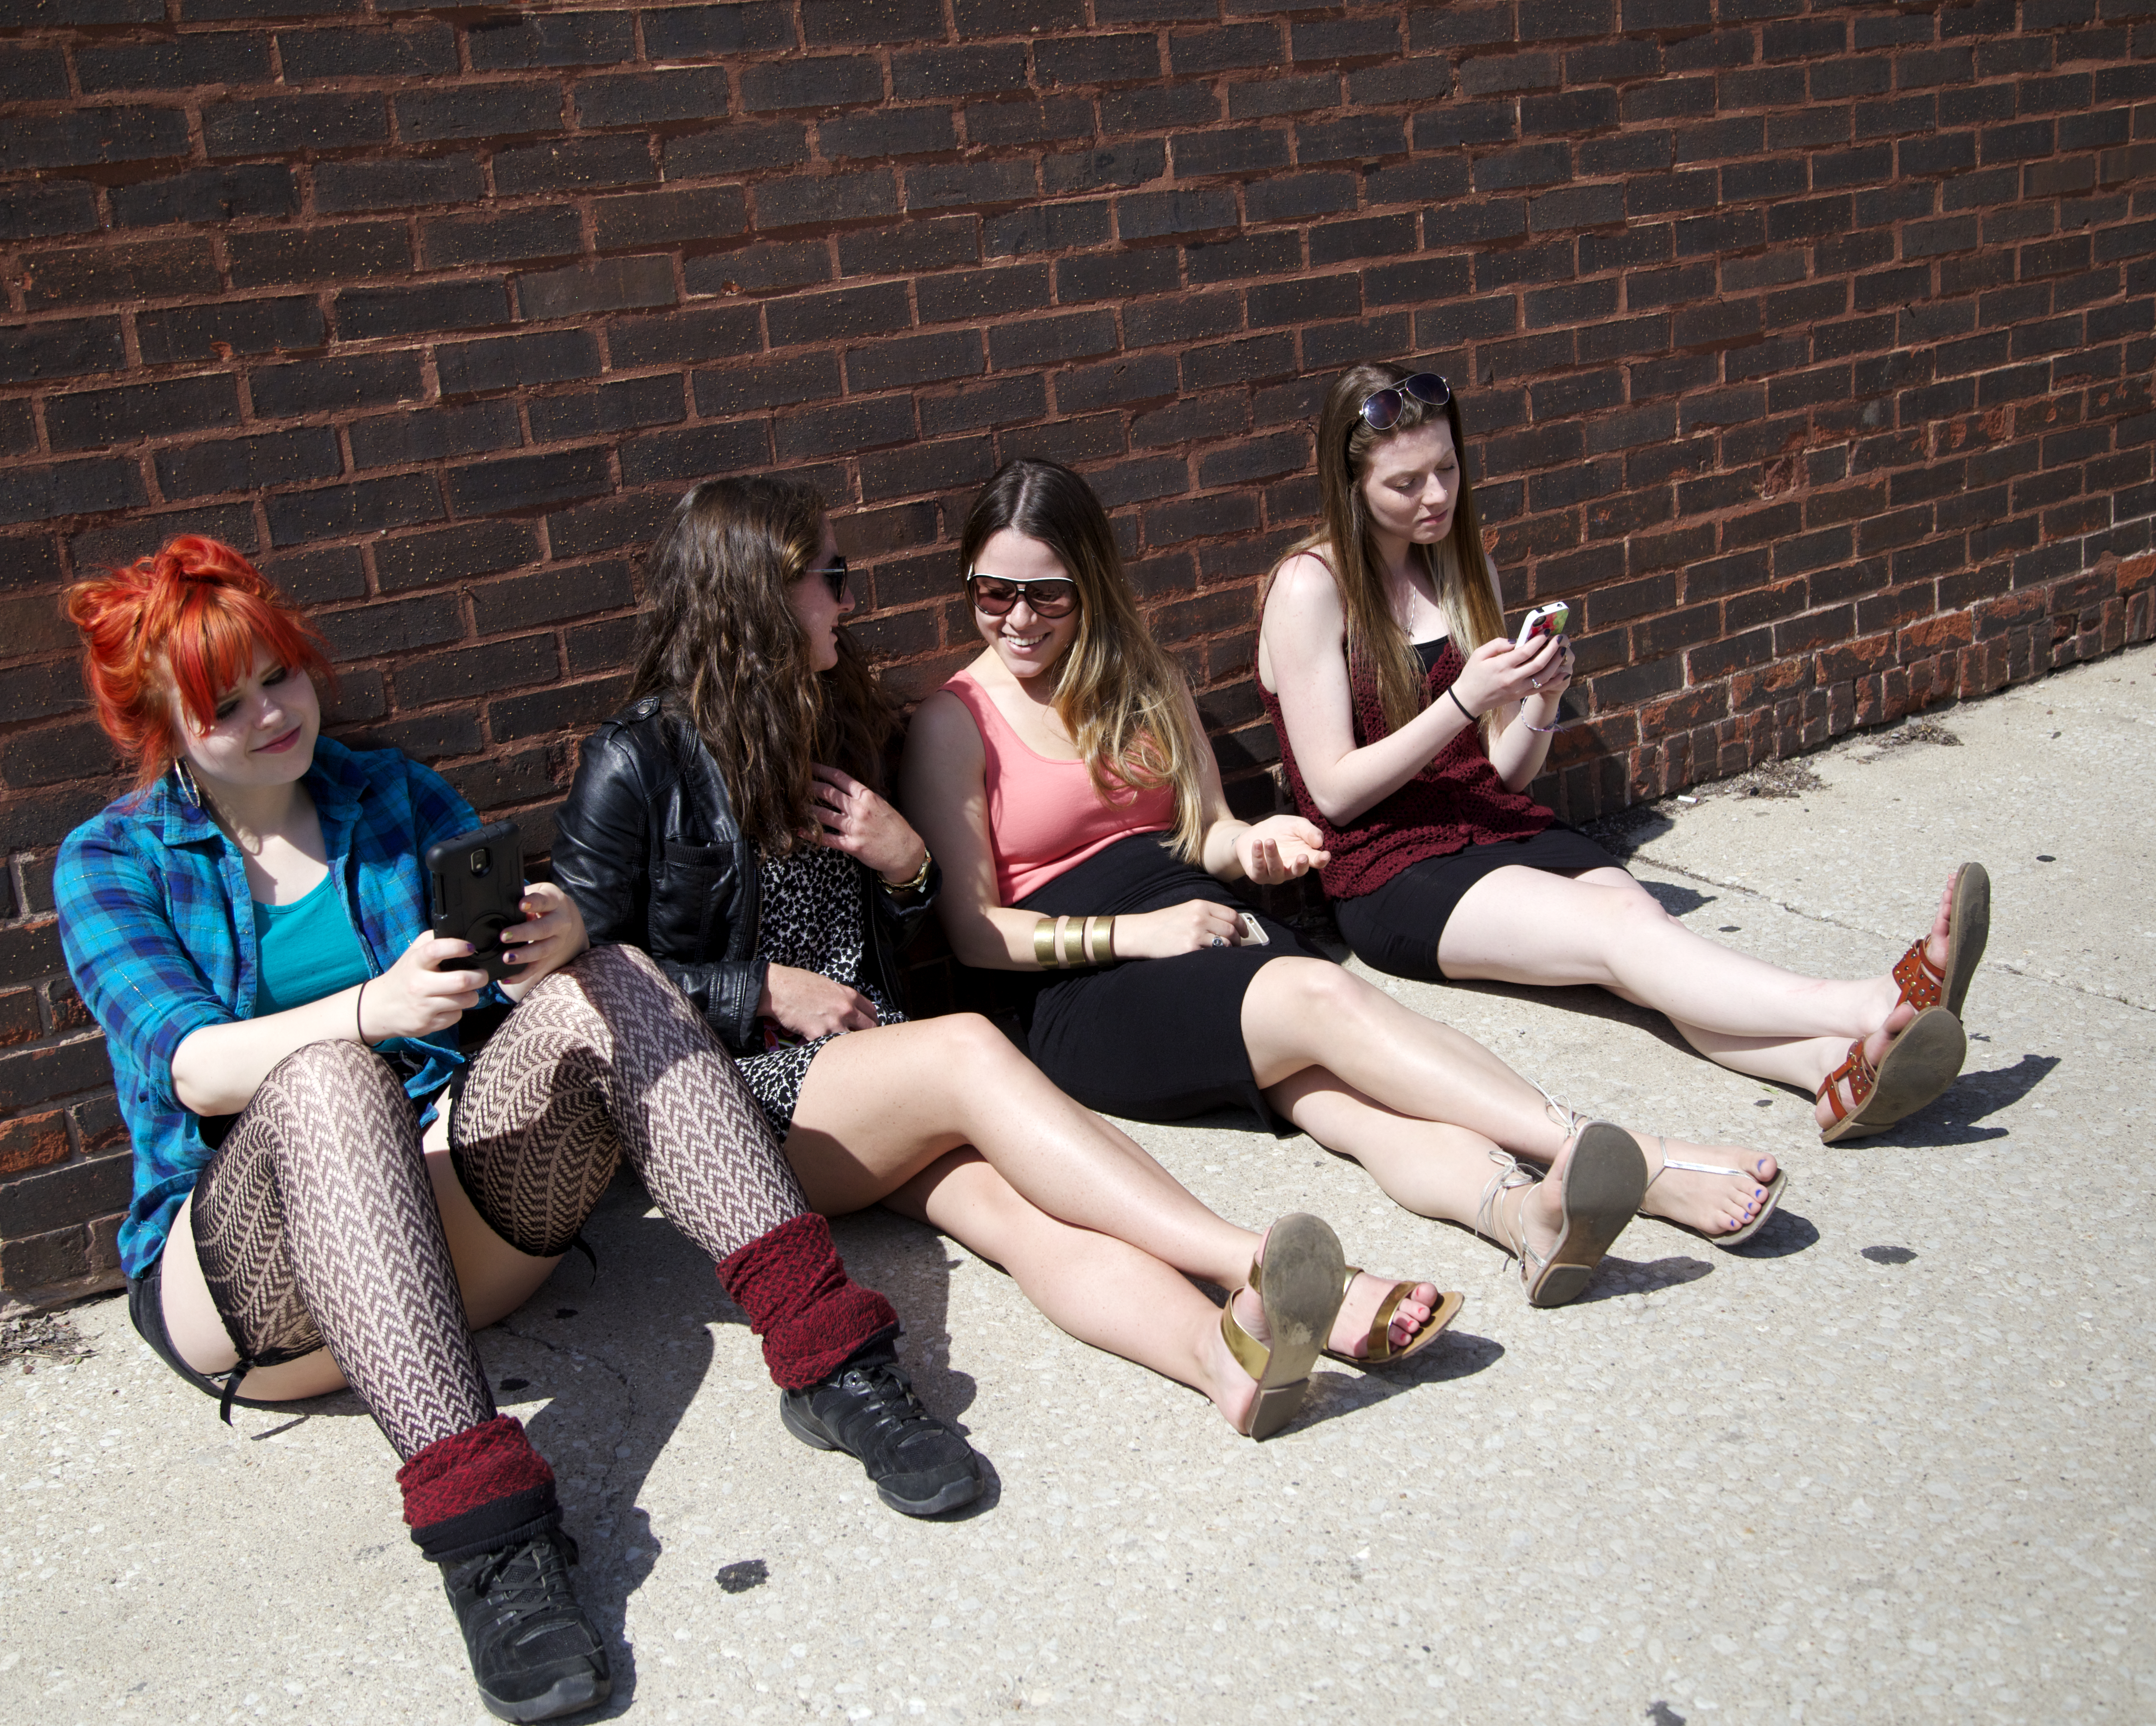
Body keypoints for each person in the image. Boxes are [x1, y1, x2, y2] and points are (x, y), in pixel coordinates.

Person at [54, 537, 977, 1726]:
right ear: (158, 725)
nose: (272, 714)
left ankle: (834, 1363)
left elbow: (506, 990)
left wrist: (549, 944)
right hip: (255, 1290)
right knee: (332, 1077)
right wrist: (366, 1012)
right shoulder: (114, 863)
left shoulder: (388, 798)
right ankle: (491, 1543)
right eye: (224, 706)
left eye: (278, 676)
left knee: (623, 973)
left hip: (443, 1236)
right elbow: (188, 1065)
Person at [550, 476, 1453, 1444]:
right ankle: (1251, 1260)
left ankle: (1223, 1363)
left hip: (869, 1080)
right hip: (733, 1107)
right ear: (757, 596)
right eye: (832, 578)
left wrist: (904, 869)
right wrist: (757, 985)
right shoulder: (635, 761)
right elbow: (582, 979)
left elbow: (877, 937)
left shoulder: (832, 716)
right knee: (974, 1048)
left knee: (1027, 1222)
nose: (850, 601)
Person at [899, 458, 1779, 1305]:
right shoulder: (955, 722)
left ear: (1089, 581)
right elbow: (974, 932)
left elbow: (1206, 830)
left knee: (1348, 1106)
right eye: (993, 591)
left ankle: (1524, 1216)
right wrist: (1140, 936)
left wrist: (1253, 846)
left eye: (1045, 592)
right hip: (1079, 988)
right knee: (1325, 1003)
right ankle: (1633, 1157)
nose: (1018, 618)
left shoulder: (1144, 680)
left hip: (1203, 928)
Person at [1256, 362, 1989, 1160]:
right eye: (1405, 484)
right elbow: (1331, 792)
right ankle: (1867, 1004)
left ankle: (1829, 1070)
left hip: (1492, 824)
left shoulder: (1461, 569)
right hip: (1390, 871)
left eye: (1447, 469)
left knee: (1647, 944)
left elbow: (1498, 778)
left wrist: (1538, 702)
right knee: (1619, 936)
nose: (1435, 498)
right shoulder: (1310, 587)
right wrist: (1464, 699)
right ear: (1351, 484)